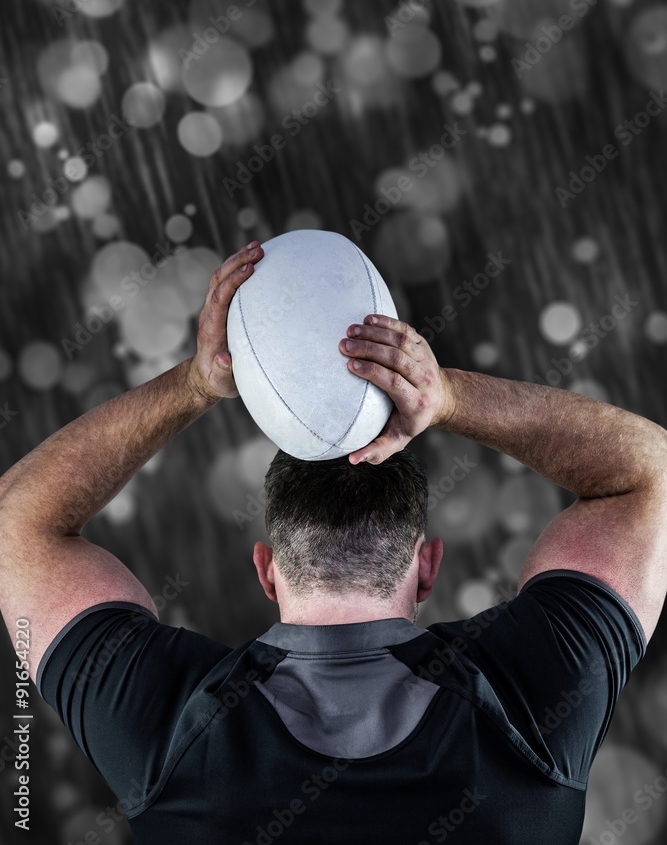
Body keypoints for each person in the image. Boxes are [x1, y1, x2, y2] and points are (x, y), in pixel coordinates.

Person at [0, 239, 665, 845]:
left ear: (265, 569)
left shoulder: (166, 726)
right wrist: (447, 397)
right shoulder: (534, 698)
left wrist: (196, 382)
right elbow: (649, 475)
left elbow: (17, 521)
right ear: (427, 566)